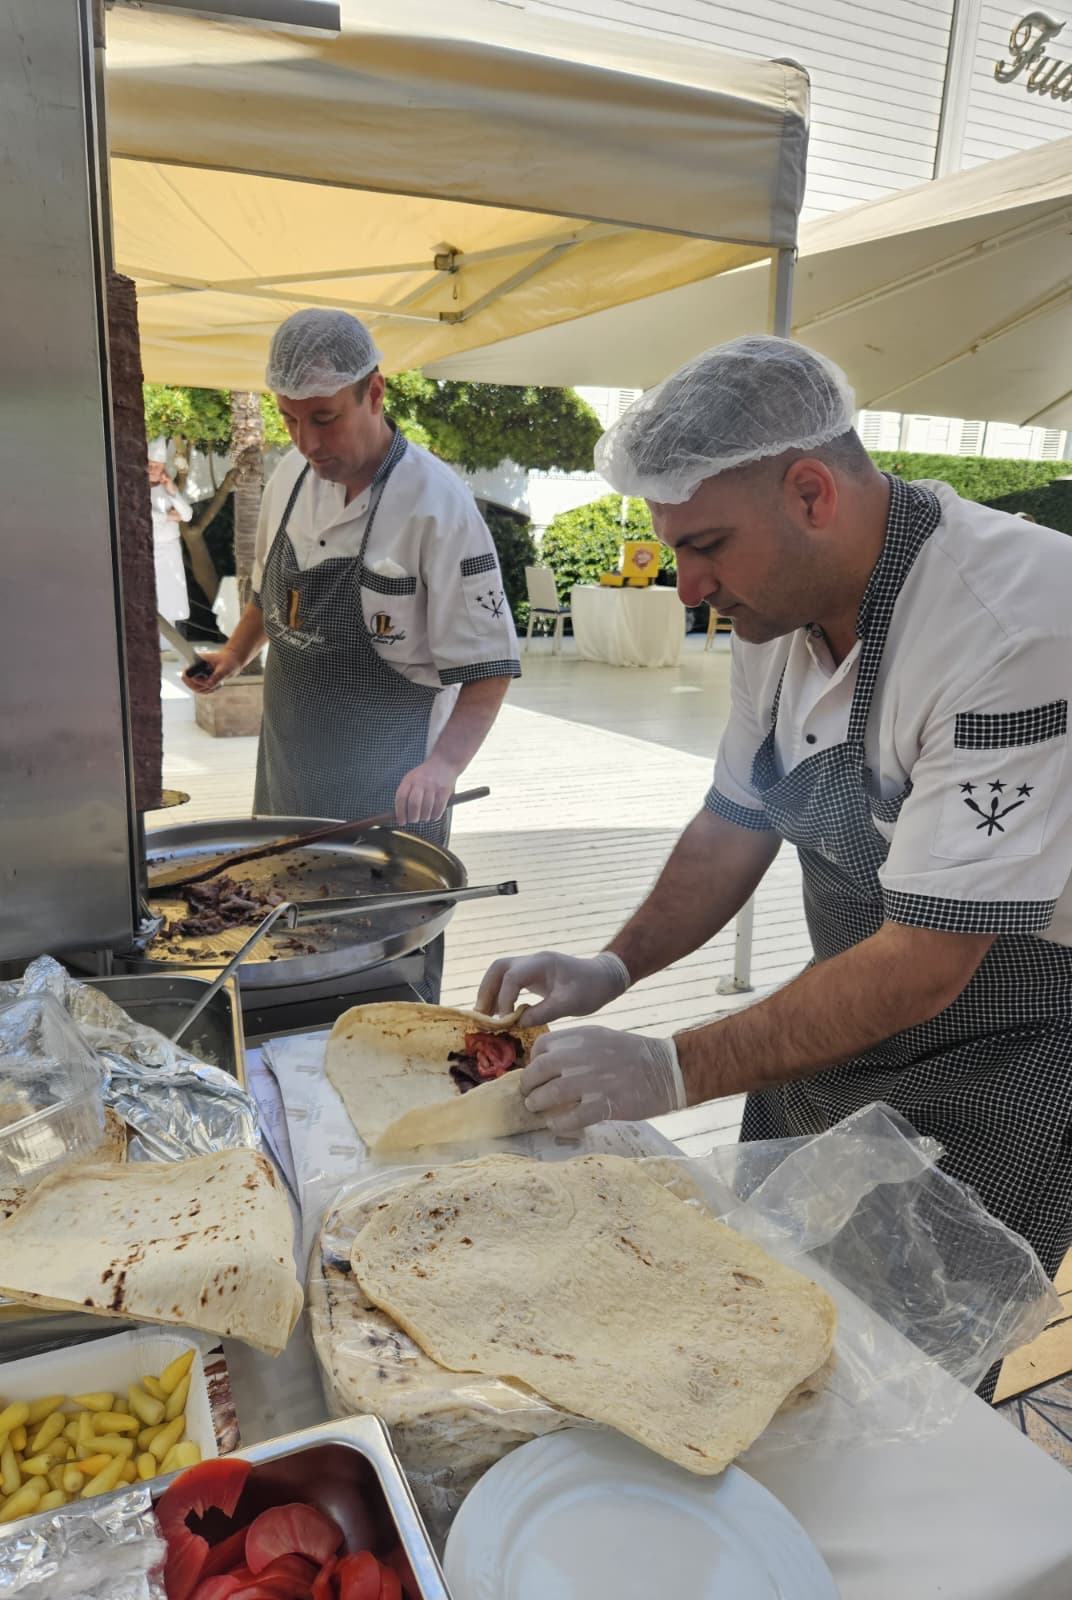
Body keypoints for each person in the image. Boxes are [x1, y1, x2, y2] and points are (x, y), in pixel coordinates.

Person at [479, 335, 1072, 1306]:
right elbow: (734, 820)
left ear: (811, 493)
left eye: (705, 547)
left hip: (1001, 1051)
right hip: (837, 1024)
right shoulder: (779, 605)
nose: (690, 589)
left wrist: (670, 1067)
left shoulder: (1013, 622)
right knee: (767, 1300)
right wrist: (615, 966)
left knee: (911, 1369)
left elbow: (928, 959)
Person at [185, 309, 520, 1002]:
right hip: (285, 776)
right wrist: (233, 655)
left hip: (388, 794)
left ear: (376, 393)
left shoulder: (437, 507)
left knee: (376, 970)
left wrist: (444, 765)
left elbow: (487, 668)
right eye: (289, 420)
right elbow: (268, 597)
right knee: (276, 938)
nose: (307, 440)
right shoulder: (289, 480)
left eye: (324, 418)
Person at [148, 439, 192, 626]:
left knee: (169, 596)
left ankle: (168, 644)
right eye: (149, 465)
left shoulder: (168, 489)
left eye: (156, 466)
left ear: (162, 468)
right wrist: (167, 516)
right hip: (149, 548)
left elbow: (187, 515)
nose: (152, 469)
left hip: (170, 550)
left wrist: (171, 490)